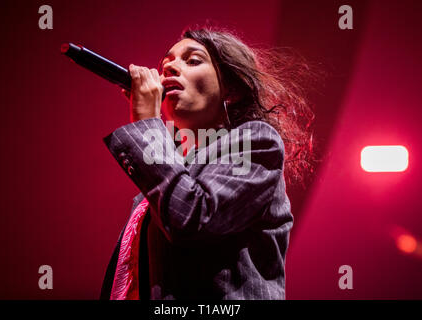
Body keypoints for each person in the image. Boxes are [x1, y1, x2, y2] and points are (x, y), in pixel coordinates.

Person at [100, 27, 316, 300]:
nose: (169, 69)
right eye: (165, 64)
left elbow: (191, 218)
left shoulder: (257, 141)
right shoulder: (152, 191)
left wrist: (146, 125)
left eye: (192, 60)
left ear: (232, 90)